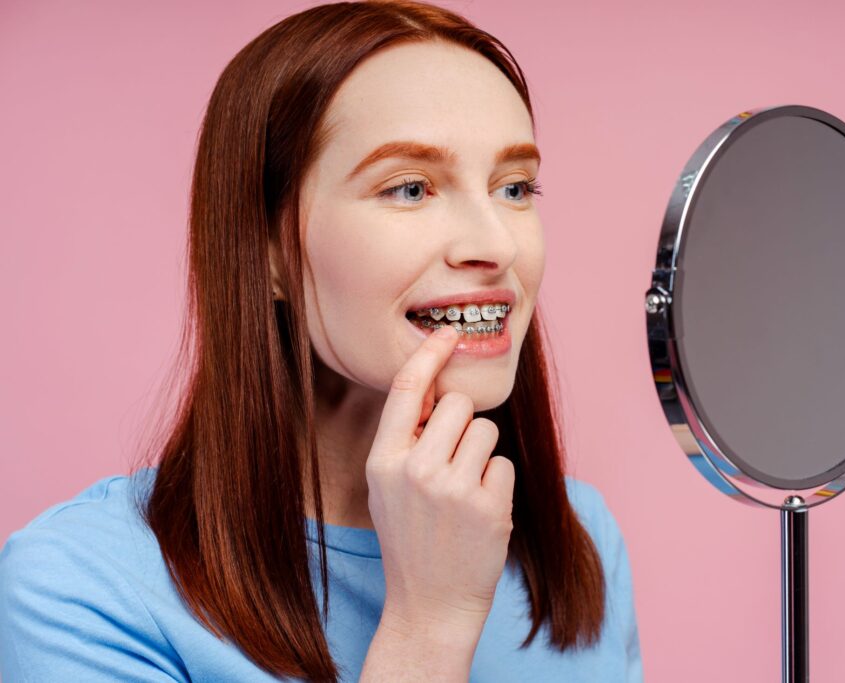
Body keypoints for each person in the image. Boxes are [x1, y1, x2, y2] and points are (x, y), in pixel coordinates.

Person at [0, 2, 643, 681]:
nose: (495, 244)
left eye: (514, 186)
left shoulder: (582, 540)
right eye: (410, 188)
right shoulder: (80, 589)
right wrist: (427, 626)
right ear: (270, 250)